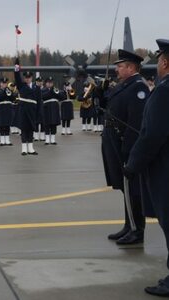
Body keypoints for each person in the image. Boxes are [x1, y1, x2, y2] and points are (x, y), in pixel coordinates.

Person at [124, 39, 169, 297]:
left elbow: (152, 134)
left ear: (164, 62)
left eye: (160, 60)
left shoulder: (164, 91)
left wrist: (134, 163)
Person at [100, 49, 150, 245]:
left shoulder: (138, 87)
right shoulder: (125, 85)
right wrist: (101, 92)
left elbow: (136, 123)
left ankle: (137, 230)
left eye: (120, 66)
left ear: (130, 67)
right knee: (125, 188)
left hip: (126, 145)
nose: (117, 70)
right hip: (115, 141)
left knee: (132, 189)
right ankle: (129, 225)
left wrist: (128, 150)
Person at [14, 58, 41, 155]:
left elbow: (39, 102)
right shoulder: (21, 86)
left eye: (29, 77)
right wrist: (16, 67)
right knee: (24, 130)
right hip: (23, 111)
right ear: (24, 78)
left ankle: (31, 148)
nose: (27, 79)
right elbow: (17, 77)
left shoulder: (37, 88)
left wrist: (39, 115)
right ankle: (24, 149)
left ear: (31, 78)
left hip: (33, 111)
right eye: (26, 77)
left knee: (31, 130)